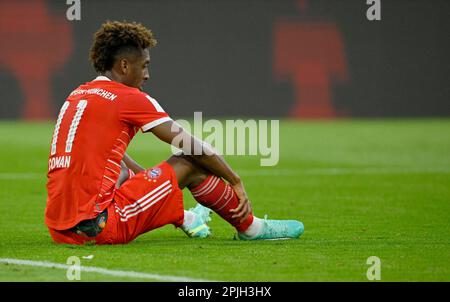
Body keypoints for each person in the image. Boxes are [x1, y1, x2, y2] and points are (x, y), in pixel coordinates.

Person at [45, 21, 304, 245]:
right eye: (143, 66)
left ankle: (188, 217)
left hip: (60, 228)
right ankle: (250, 228)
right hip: (97, 228)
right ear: (124, 66)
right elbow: (190, 145)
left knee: (123, 169)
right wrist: (235, 179)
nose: (147, 75)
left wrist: (156, 186)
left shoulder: (79, 94)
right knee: (189, 161)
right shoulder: (129, 98)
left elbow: (112, 158)